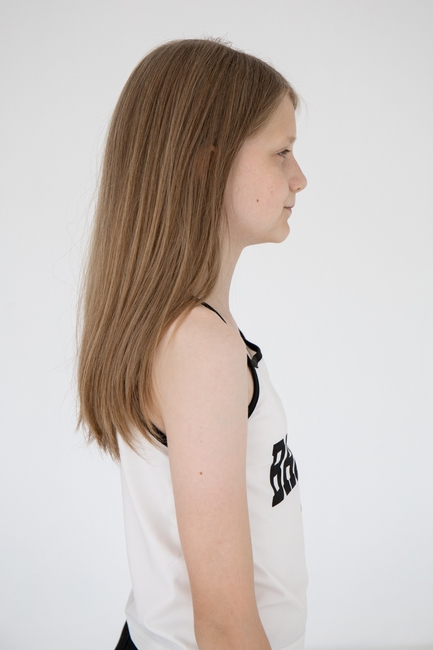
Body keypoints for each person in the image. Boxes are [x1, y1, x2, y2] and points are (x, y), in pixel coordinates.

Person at [77, 37, 308, 650]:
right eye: (281, 152)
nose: (300, 178)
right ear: (207, 164)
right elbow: (225, 626)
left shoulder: (184, 330)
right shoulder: (201, 347)